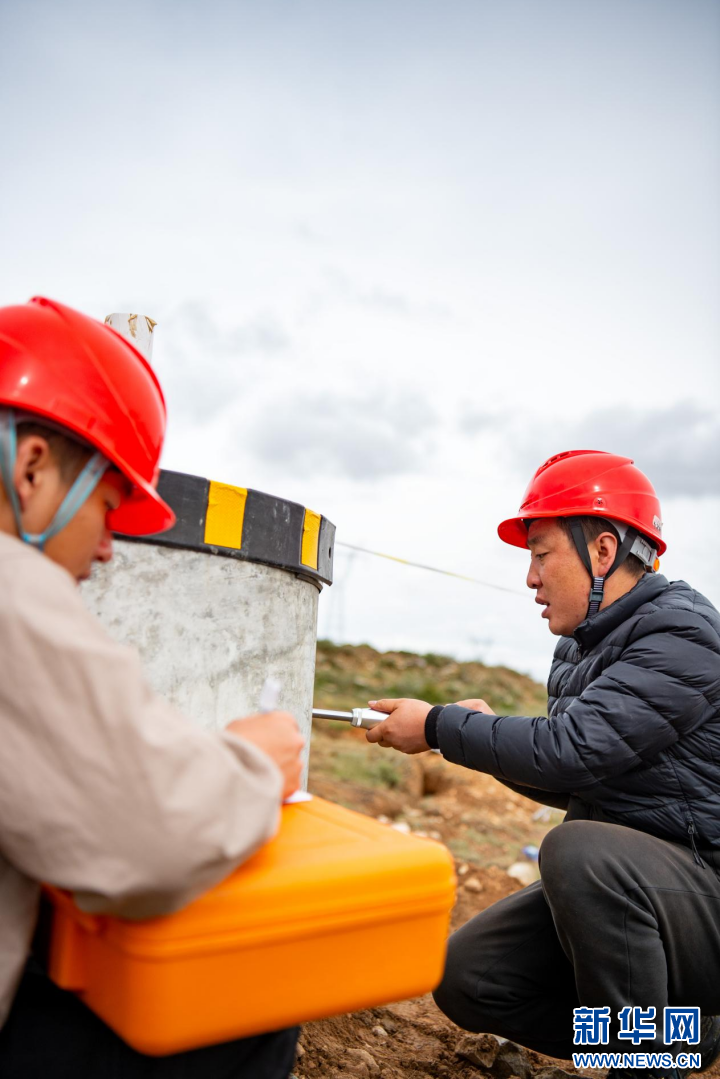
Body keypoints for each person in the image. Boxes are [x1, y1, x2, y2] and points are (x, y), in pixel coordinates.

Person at [0, 296, 304, 1078]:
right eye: (108, 506)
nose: (109, 548)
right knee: (251, 1005)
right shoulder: (12, 588)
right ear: (30, 468)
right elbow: (146, 833)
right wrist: (253, 765)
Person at [364, 450, 720, 1079]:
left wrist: (441, 726)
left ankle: (645, 1066)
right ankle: (682, 1038)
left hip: (703, 891)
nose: (530, 577)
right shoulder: (583, 646)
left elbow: (571, 750)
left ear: (603, 552)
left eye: (540, 553)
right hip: (645, 888)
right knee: (471, 978)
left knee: (579, 851)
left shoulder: (681, 636)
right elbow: (578, 772)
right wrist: (469, 734)